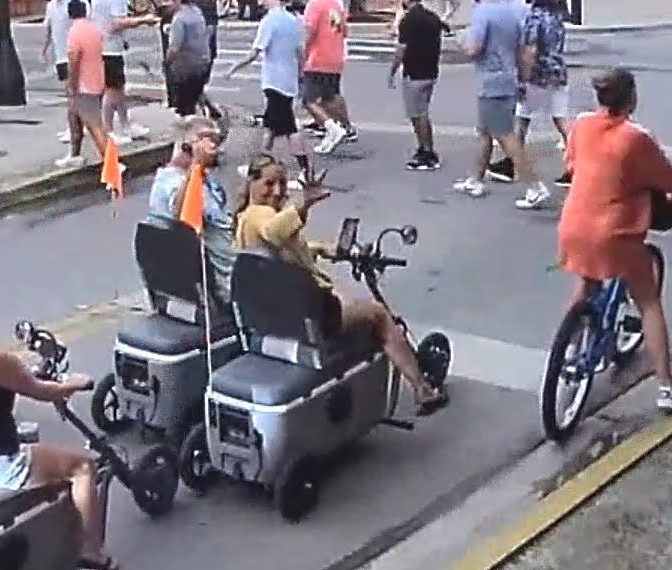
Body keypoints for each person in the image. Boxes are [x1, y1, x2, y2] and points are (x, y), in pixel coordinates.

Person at [0, 276, 116, 570]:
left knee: (33, 440)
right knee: (83, 467)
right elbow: (45, 391)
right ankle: (90, 549)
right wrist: (76, 383)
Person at [235, 154, 449, 415]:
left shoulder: (244, 220)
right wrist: (305, 205)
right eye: (269, 184)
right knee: (377, 313)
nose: (277, 191)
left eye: (282, 183)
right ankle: (422, 389)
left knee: (348, 301)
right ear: (252, 182)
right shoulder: (261, 214)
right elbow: (273, 231)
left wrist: (324, 249)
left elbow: (283, 247)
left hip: (277, 313)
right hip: (308, 314)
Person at [557, 69, 672, 413]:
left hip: (574, 224)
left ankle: (570, 350)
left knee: (587, 283)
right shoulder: (635, 138)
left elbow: (571, 164)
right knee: (648, 302)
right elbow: (670, 179)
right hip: (617, 233)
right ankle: (666, 387)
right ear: (631, 99)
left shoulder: (582, 125)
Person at [454, 0, 547, 209]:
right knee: (485, 131)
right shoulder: (514, 11)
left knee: (505, 135)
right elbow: (523, 50)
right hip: (508, 78)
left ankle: (534, 186)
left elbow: (473, 49)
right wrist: (522, 80)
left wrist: (461, 40)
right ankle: (476, 179)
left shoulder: (482, 12)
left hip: (490, 81)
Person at [148, 115, 236, 303]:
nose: (215, 147)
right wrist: (196, 163)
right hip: (227, 280)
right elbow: (181, 213)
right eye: (208, 140)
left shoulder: (205, 180)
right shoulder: (172, 182)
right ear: (187, 147)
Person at [227, 0, 312, 188]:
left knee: (289, 128)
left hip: (274, 80)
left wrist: (235, 67)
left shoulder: (269, 21)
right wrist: (299, 73)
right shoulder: (293, 20)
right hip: (288, 80)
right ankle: (257, 167)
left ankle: (305, 171)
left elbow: (256, 52)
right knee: (271, 126)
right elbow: (300, 51)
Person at [491, 0, 571, 188]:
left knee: (523, 117)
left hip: (539, 74)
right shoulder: (556, 16)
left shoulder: (534, 16)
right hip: (557, 70)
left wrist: (523, 78)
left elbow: (530, 49)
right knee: (560, 119)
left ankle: (511, 162)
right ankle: (576, 165)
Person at [91, 0, 158, 144]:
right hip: (109, 48)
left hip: (105, 45)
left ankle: (126, 124)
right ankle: (108, 131)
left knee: (119, 89)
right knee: (112, 90)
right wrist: (143, 20)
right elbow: (116, 24)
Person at [388, 0, 443, 171]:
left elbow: (401, 48)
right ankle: (424, 148)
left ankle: (427, 152)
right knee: (421, 111)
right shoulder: (433, 18)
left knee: (417, 114)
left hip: (414, 71)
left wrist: (392, 70)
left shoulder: (408, 20)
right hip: (430, 70)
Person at [301, 0, 356, 155]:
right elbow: (344, 31)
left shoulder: (315, 5)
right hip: (334, 57)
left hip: (317, 58)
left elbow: (309, 33)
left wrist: (302, 56)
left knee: (308, 100)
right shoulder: (335, 5)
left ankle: (332, 128)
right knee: (329, 97)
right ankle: (345, 127)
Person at [60, 0, 110, 168]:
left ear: (69, 14)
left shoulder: (74, 32)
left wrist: (71, 84)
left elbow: (74, 59)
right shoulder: (93, 29)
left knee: (95, 126)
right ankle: (75, 153)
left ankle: (112, 163)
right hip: (97, 80)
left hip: (84, 85)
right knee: (73, 116)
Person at [164, 0, 211, 116]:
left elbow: (174, 48)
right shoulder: (196, 11)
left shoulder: (179, 19)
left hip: (187, 66)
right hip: (203, 62)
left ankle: (189, 125)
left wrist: (167, 62)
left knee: (185, 105)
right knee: (195, 94)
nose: (165, 5)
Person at [42, 0, 76, 144]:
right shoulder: (51, 6)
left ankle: (74, 128)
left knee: (72, 94)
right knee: (71, 93)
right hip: (60, 56)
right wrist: (44, 49)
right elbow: (49, 29)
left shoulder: (74, 4)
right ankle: (77, 126)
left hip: (73, 54)